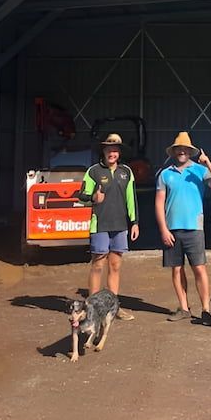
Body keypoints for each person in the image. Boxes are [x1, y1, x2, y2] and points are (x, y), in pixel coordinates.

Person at [154, 131, 211, 324]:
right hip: (172, 230)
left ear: (190, 151)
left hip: (194, 228)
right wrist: (163, 229)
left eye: (185, 149)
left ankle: (205, 310)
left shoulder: (199, 170)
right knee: (176, 270)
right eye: (178, 149)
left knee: (199, 269)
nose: (182, 152)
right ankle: (184, 308)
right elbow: (159, 203)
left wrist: (208, 163)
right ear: (174, 151)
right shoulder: (165, 174)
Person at [79, 133, 139, 320]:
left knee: (115, 265)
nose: (112, 153)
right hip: (100, 224)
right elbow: (81, 196)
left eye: (115, 150)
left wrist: (134, 222)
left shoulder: (126, 172)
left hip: (120, 225)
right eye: (109, 149)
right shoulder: (93, 171)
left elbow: (131, 199)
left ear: (119, 153)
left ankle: (113, 307)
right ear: (103, 151)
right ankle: (91, 307)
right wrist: (93, 198)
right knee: (98, 264)